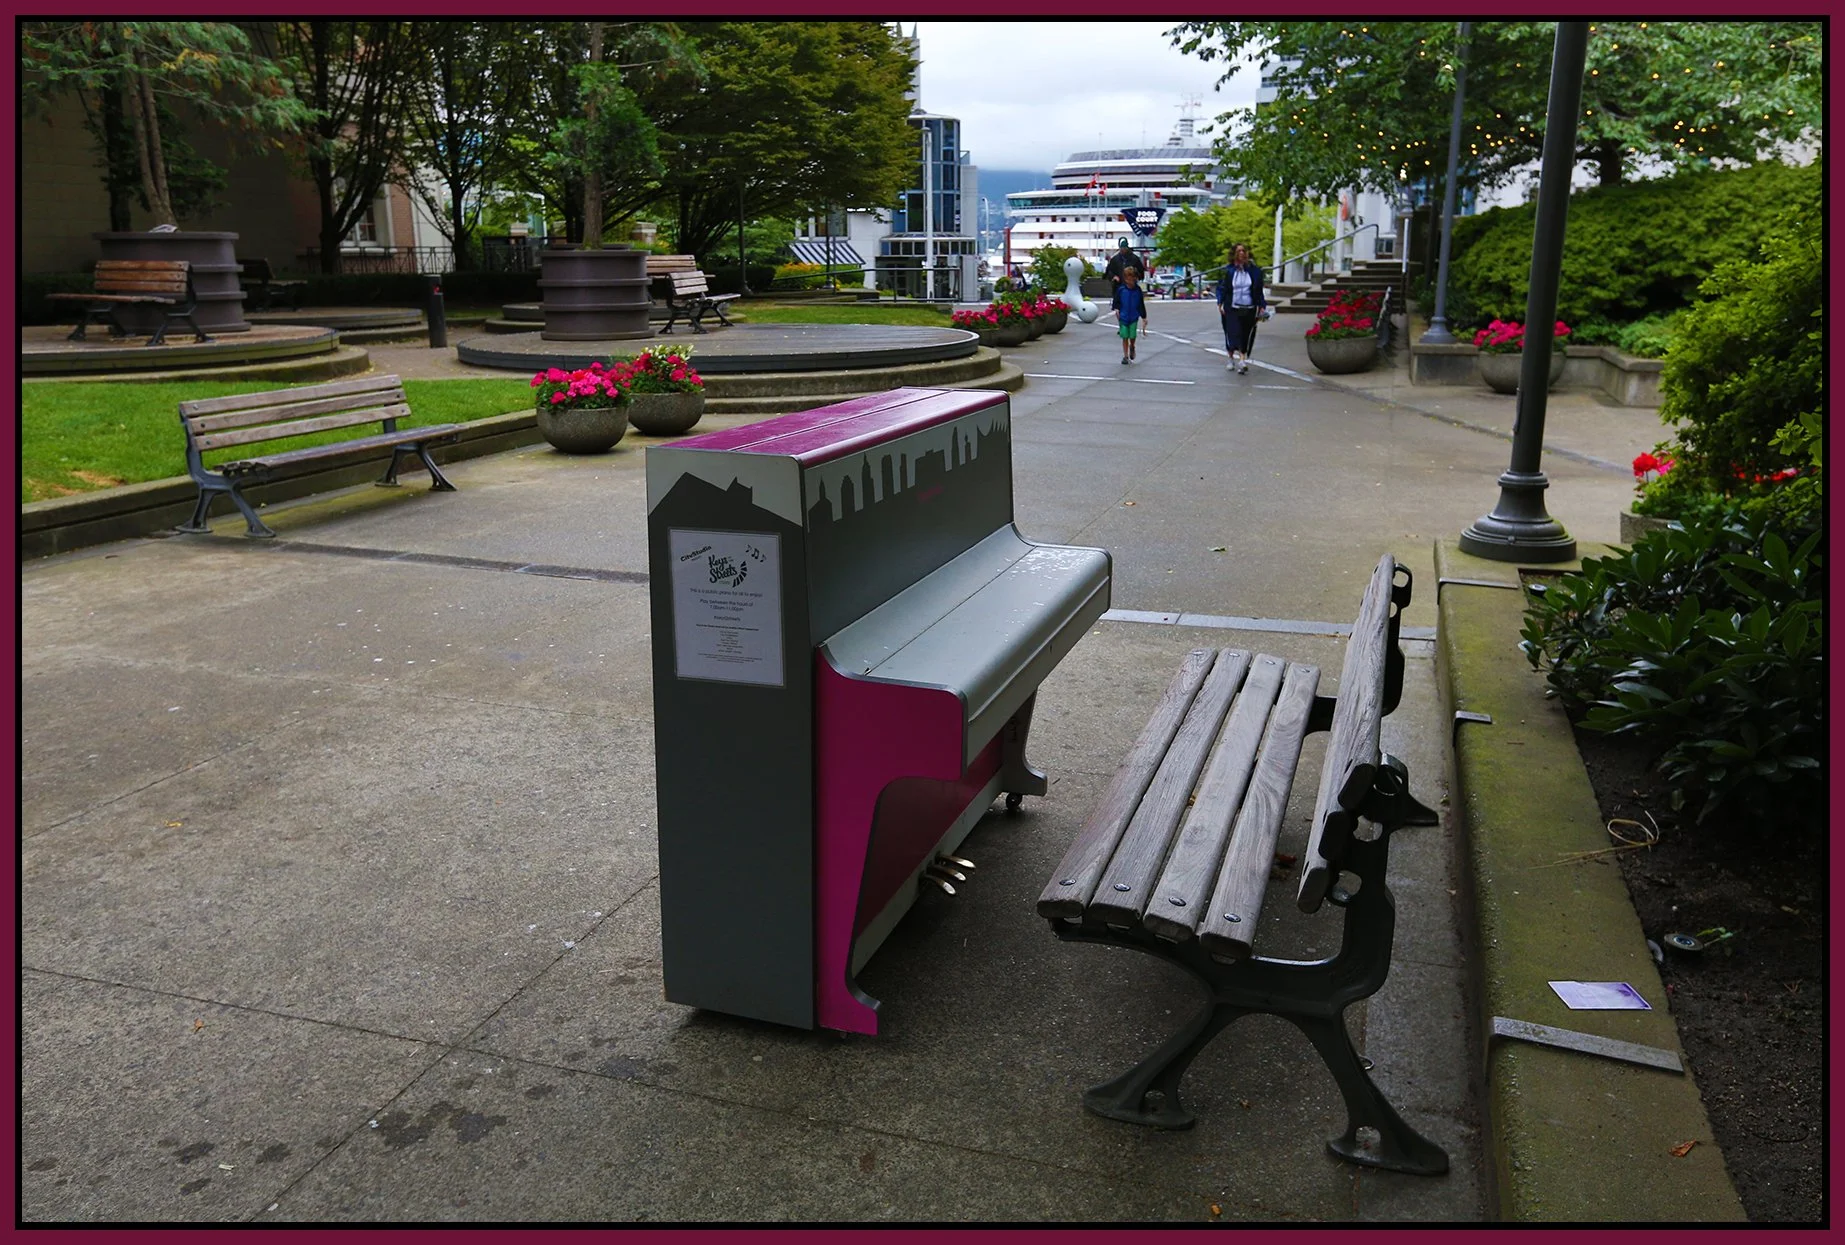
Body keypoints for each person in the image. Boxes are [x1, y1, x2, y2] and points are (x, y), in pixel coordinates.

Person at [1215, 243, 1268, 375]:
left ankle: (1242, 361)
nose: (1242, 254)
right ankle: (1231, 358)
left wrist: (1262, 306)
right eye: (1239, 252)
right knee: (1232, 333)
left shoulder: (1255, 272)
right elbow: (1222, 288)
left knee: (1246, 334)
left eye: (1244, 251)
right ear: (1234, 255)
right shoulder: (1228, 271)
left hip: (1249, 307)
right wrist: (1220, 303)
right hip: (1231, 307)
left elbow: (1258, 291)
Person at [1112, 264, 1147, 364]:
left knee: (1132, 336)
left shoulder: (1137, 290)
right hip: (1123, 316)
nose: (1130, 281)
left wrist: (1144, 317)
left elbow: (1140, 304)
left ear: (1135, 278)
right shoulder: (1121, 290)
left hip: (1133, 316)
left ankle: (1132, 346)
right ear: (1125, 278)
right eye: (1128, 278)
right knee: (1124, 336)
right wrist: (1117, 309)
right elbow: (1117, 301)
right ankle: (1125, 356)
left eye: (1132, 278)